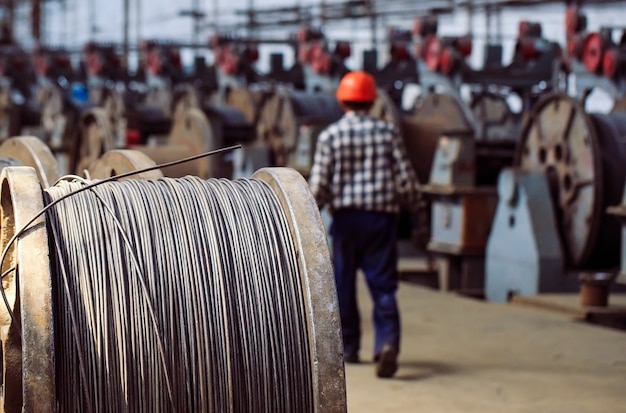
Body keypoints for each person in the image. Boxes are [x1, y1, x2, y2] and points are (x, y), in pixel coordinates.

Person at [308, 71, 419, 378]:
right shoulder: (388, 133)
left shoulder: (331, 136)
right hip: (381, 220)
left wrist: (308, 214)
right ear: (371, 102)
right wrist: (417, 212)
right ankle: (387, 344)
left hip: (345, 221)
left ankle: (349, 348)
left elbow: (319, 186)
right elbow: (406, 179)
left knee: (342, 286)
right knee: (383, 285)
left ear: (342, 102)